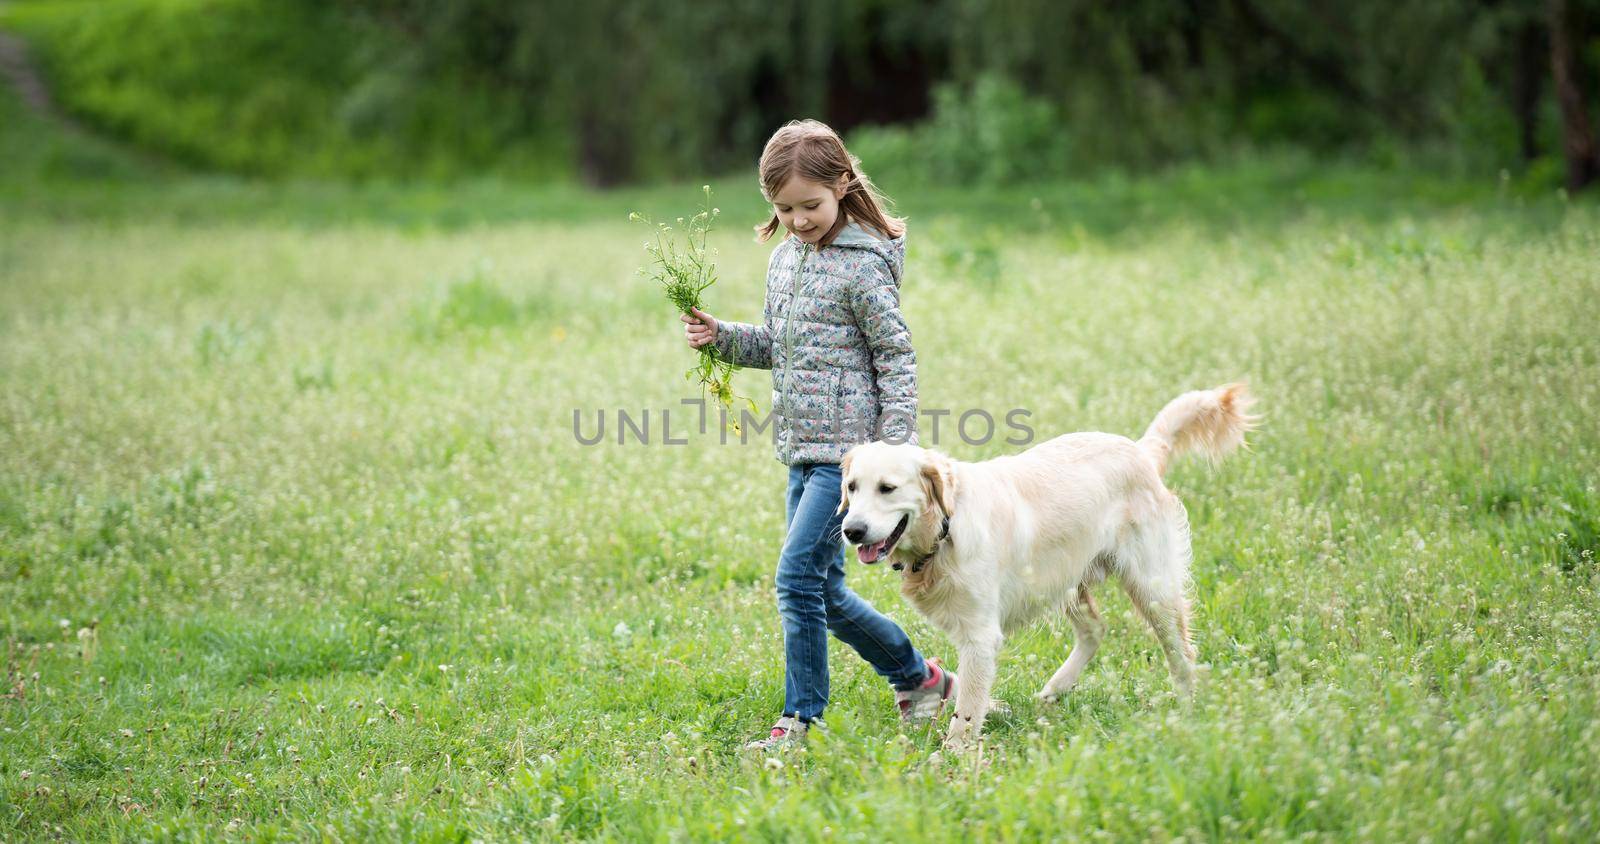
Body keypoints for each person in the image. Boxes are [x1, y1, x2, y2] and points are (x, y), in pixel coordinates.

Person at [680, 119, 955, 751]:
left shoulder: (863, 268)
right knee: (823, 592)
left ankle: (800, 721)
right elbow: (780, 346)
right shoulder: (786, 259)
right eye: (784, 208)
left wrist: (894, 451)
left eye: (811, 205)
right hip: (800, 452)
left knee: (796, 580)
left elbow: (896, 356)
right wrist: (721, 336)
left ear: (842, 186)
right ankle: (922, 680)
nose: (799, 219)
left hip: (849, 460)